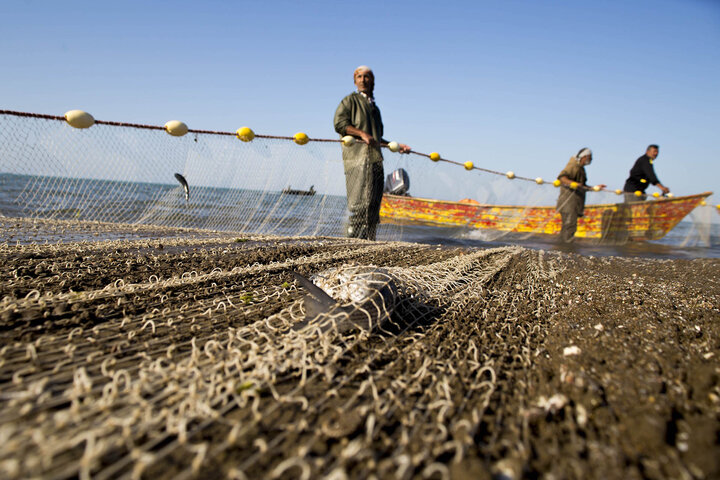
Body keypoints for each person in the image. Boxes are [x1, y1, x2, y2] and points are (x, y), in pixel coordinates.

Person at [333, 66, 410, 240]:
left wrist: (396, 145)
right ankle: (351, 241)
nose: (363, 80)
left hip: (375, 160)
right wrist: (361, 133)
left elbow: (376, 138)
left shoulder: (375, 108)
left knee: (374, 205)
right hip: (357, 160)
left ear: (372, 81)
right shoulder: (349, 101)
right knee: (359, 203)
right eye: (359, 76)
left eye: (367, 77)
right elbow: (339, 124)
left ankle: (369, 240)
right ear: (355, 81)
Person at [556, 148, 606, 243]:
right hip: (568, 203)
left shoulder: (580, 168)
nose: (591, 160)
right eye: (590, 158)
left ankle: (562, 248)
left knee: (570, 227)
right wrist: (572, 183)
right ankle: (564, 250)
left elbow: (582, 186)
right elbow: (562, 177)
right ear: (584, 157)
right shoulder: (573, 166)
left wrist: (595, 188)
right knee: (569, 226)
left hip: (574, 204)